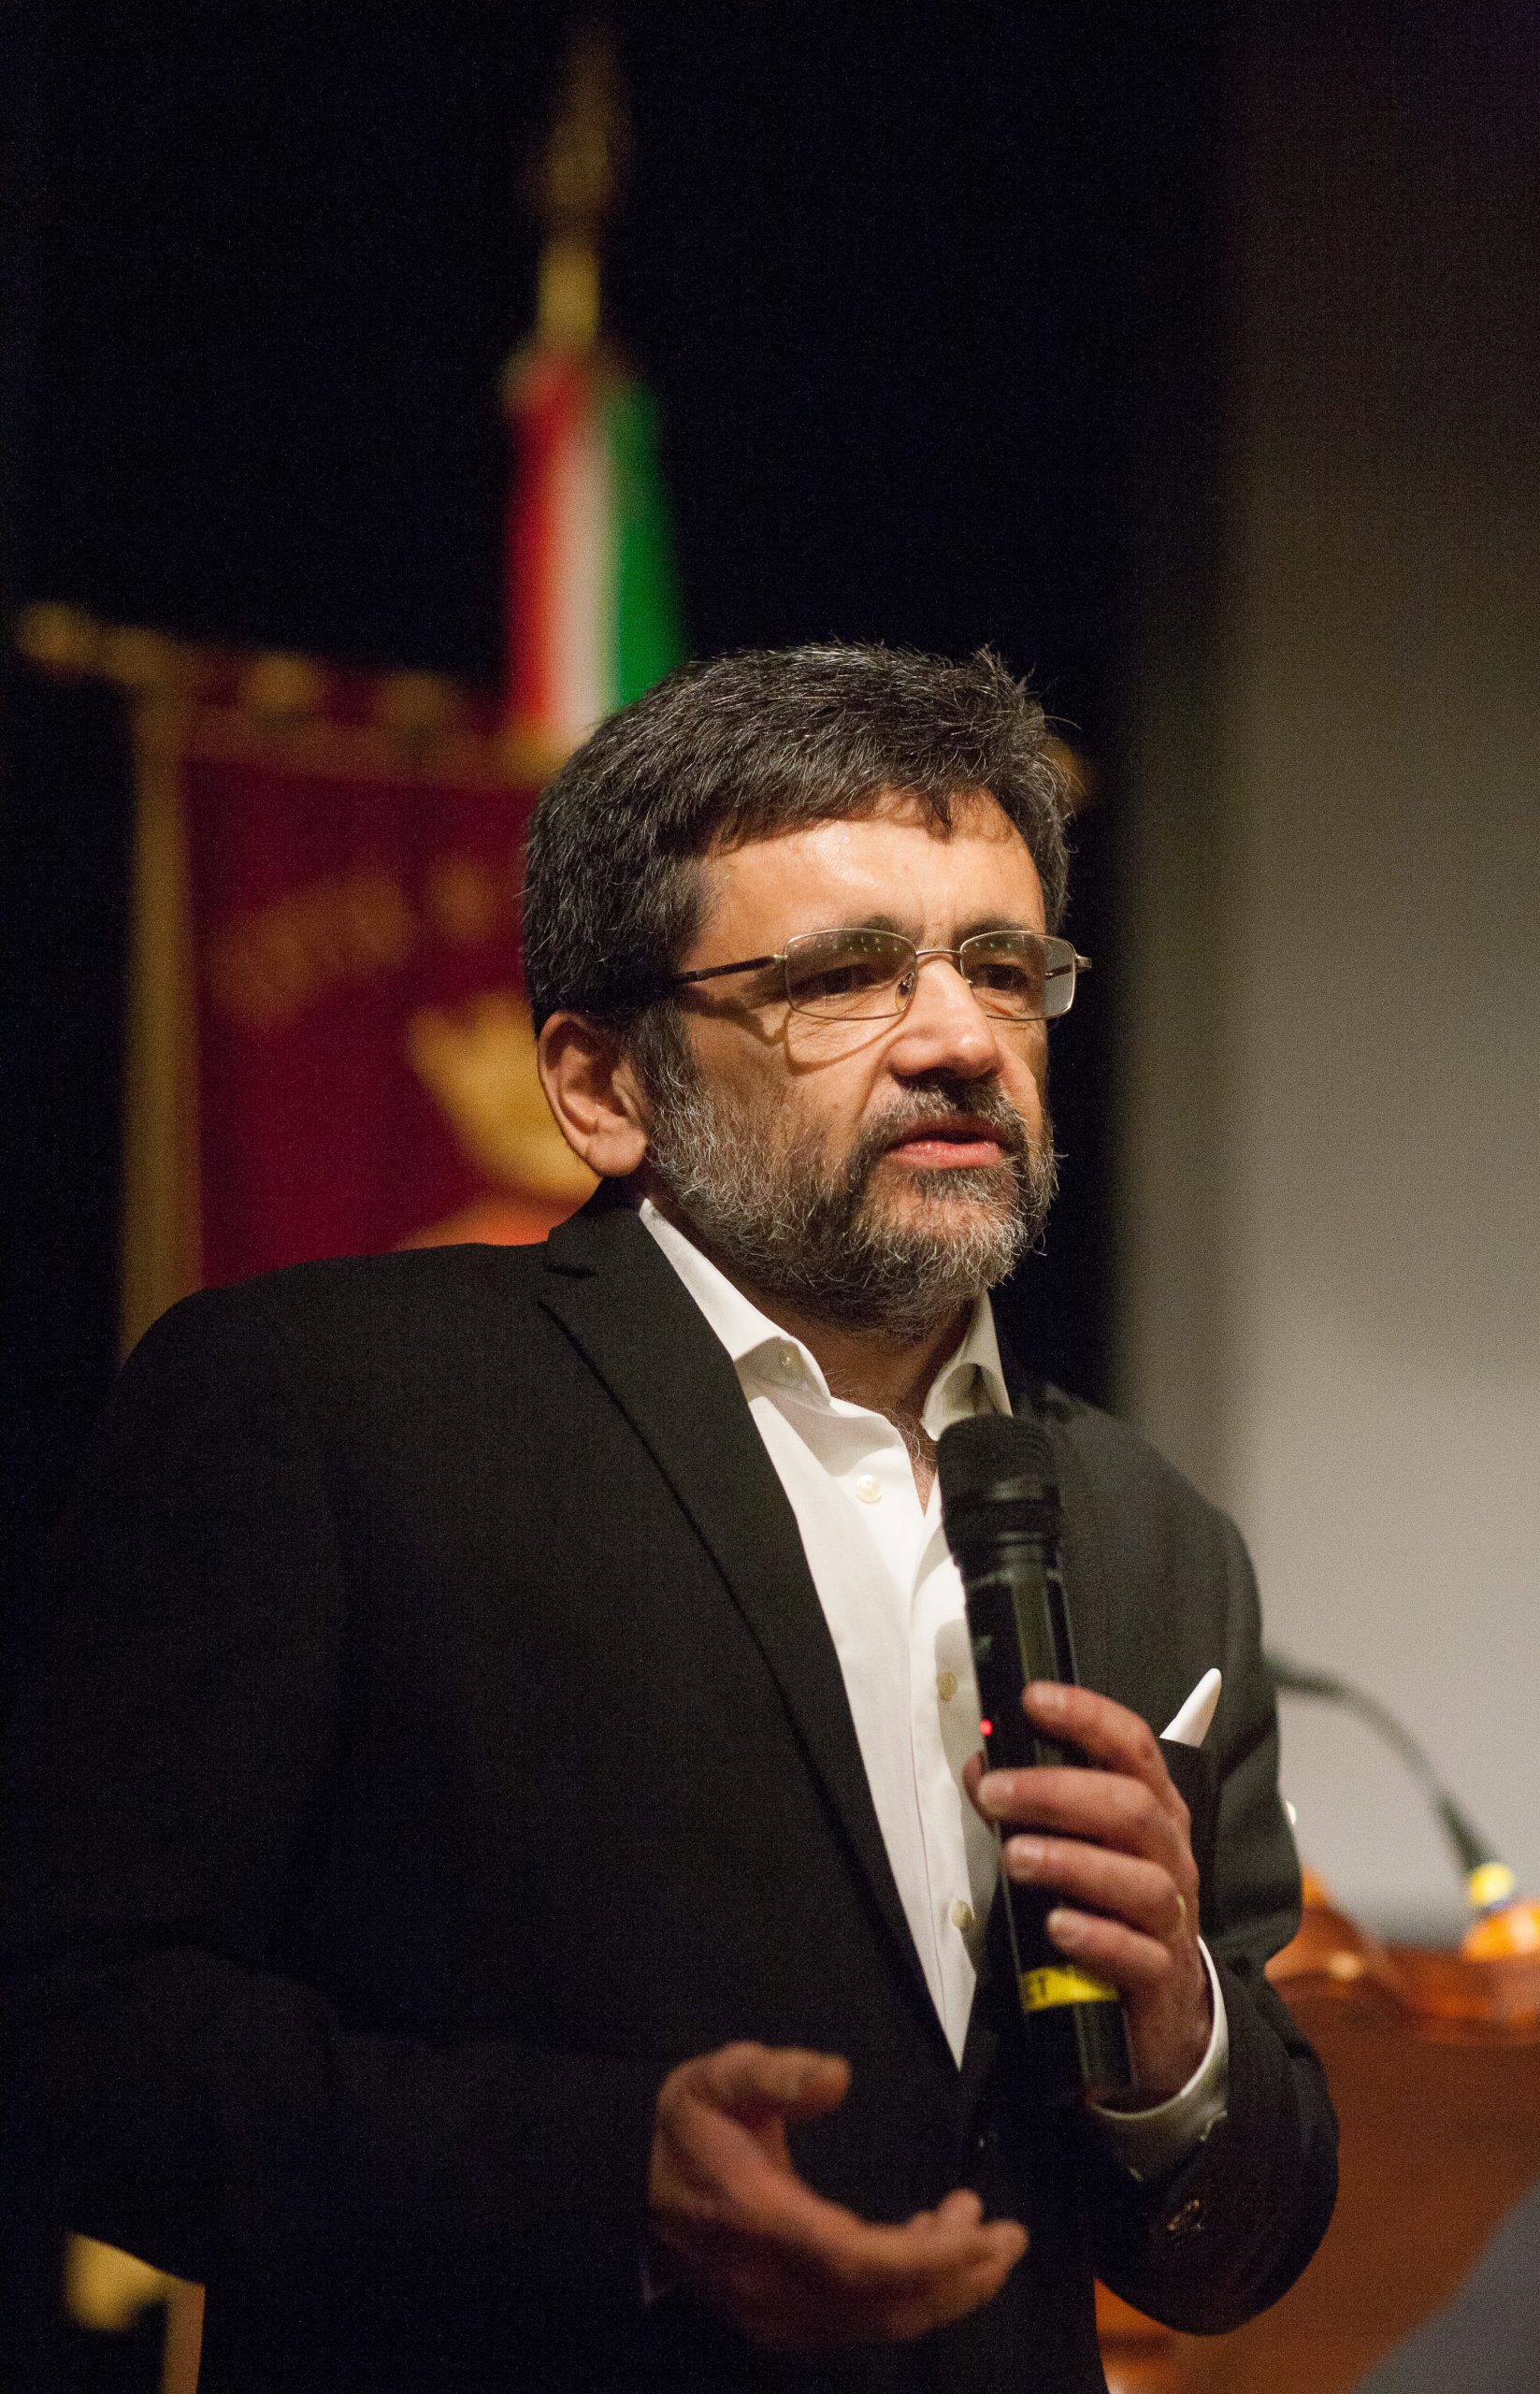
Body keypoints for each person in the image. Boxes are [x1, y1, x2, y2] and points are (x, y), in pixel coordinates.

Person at [4, 645, 1335, 2393]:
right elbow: (70, 2029)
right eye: (844, 977)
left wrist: (1178, 2036)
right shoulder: (327, 1406)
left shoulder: (1151, 1528)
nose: (959, 1040)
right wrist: (604, 2178)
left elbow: (1238, 2251)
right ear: (604, 1088)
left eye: (1005, 971)